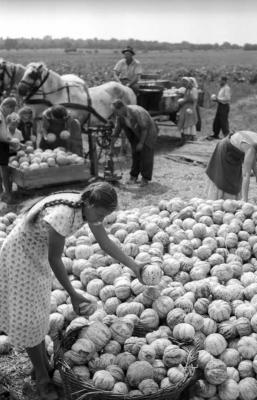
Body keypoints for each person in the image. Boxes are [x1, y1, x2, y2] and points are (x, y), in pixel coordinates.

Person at [0, 182, 145, 400]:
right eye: (101, 213)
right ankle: (42, 378)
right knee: (29, 319)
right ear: (89, 203)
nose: (101, 218)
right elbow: (55, 259)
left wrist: (135, 266)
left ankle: (42, 364)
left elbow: (104, 242)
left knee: (39, 314)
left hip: (36, 255)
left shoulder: (86, 206)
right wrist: (73, 294)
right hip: (20, 258)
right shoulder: (64, 215)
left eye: (106, 215)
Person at [205, 131, 257, 202]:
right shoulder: (251, 147)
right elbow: (245, 175)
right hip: (226, 151)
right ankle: (219, 200)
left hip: (232, 152)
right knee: (225, 178)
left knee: (233, 177)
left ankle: (231, 201)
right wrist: (245, 199)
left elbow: (251, 159)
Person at [111, 100, 158, 187]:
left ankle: (145, 178)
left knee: (146, 155)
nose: (115, 114)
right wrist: (111, 146)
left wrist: (141, 143)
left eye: (115, 111)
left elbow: (144, 129)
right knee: (135, 154)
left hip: (148, 132)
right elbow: (116, 131)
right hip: (135, 133)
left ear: (122, 108)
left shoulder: (136, 112)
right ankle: (133, 176)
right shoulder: (120, 116)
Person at [0, 97, 17, 203]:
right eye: (11, 110)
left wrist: (17, 142)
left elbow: (4, 133)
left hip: (3, 143)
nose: (10, 113)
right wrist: (10, 142)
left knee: (3, 168)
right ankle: (7, 194)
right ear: (6, 106)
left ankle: (3, 193)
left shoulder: (2, 115)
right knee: (4, 169)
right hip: (1, 144)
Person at [207, 76, 231, 140]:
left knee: (223, 121)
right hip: (220, 105)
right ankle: (216, 134)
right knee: (217, 120)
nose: (219, 82)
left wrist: (217, 99)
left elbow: (227, 98)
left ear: (224, 81)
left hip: (224, 106)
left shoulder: (226, 88)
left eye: (220, 80)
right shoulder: (222, 88)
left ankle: (227, 135)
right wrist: (217, 99)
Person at [177, 77, 198, 141]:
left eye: (190, 82)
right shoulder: (188, 89)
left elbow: (194, 100)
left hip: (190, 107)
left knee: (189, 122)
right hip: (185, 107)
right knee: (185, 121)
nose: (189, 84)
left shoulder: (193, 90)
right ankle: (186, 135)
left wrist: (193, 109)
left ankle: (190, 135)